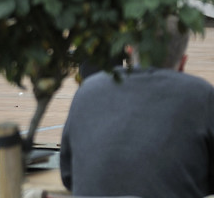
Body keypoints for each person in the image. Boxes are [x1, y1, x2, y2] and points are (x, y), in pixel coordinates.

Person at [60, 16, 214, 197]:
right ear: (183, 63)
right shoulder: (200, 94)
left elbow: (68, 175)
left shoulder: (88, 89)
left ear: (130, 50)